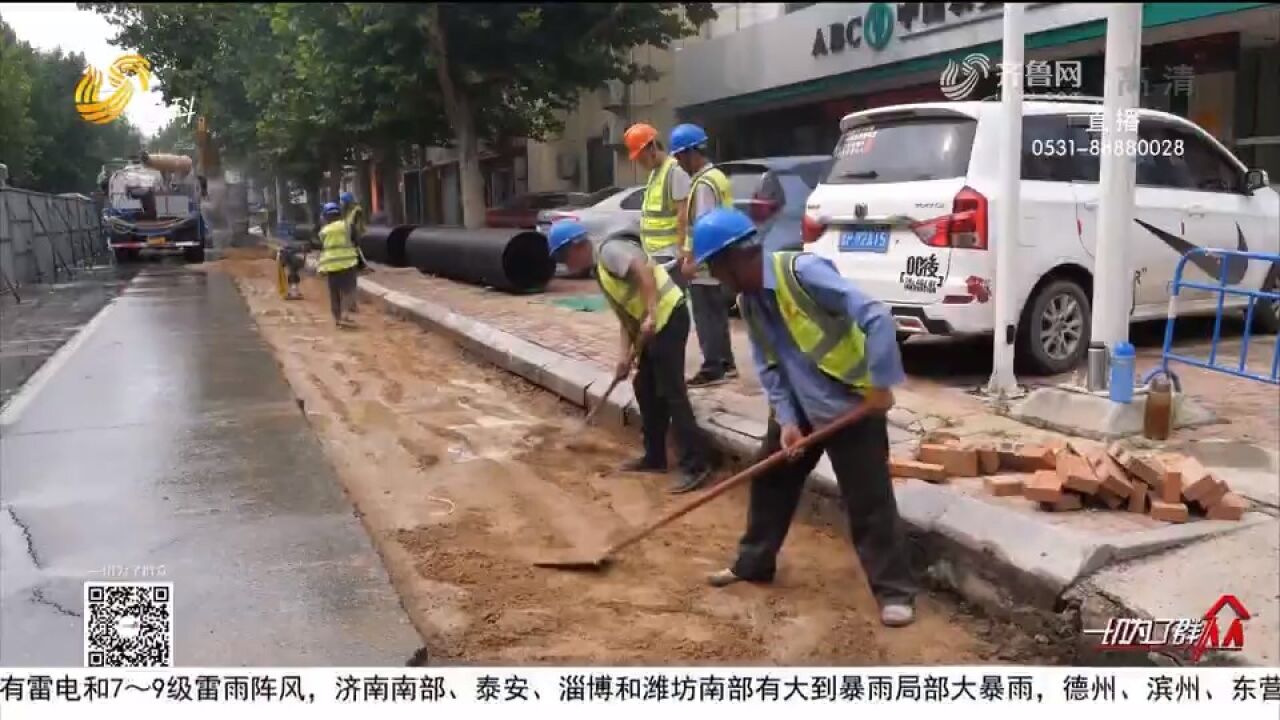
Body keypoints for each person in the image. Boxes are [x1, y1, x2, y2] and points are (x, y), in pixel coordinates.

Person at [689, 207, 919, 628]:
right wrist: (788, 420)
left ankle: (895, 592)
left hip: (851, 406)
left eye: (718, 267)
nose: (717, 277)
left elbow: (876, 316)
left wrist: (882, 382)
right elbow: (769, 364)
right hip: (801, 408)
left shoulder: (804, 272)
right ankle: (753, 563)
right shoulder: (750, 301)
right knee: (770, 478)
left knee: (869, 502)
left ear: (739, 257)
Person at [547, 219, 717, 494]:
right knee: (644, 387)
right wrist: (623, 358)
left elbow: (645, 270)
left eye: (563, 256)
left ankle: (697, 464)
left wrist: (651, 311)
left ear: (577, 246)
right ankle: (655, 457)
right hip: (652, 325)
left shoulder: (609, 251)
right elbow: (626, 318)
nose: (565, 264)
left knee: (671, 390)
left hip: (668, 316)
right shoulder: (601, 273)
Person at [669, 123, 738, 388]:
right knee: (717, 313)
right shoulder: (717, 177)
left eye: (679, 156)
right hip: (719, 257)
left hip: (706, 260)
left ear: (690, 153)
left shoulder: (703, 183)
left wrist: (691, 260)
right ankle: (727, 363)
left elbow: (703, 225)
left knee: (705, 314)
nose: (678, 162)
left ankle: (713, 367)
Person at [623, 123, 693, 290]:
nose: (640, 163)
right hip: (656, 254)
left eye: (641, 157)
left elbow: (683, 214)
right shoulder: (655, 173)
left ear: (652, 147)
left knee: (673, 306)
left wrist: (683, 252)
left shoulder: (675, 171)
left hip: (670, 256)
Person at [316, 202, 360, 328]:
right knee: (349, 290)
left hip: (330, 265)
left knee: (334, 293)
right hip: (348, 263)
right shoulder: (348, 226)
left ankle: (337, 319)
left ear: (325, 216)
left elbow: (320, 246)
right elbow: (356, 241)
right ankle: (345, 315)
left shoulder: (323, 231)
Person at [339, 191, 367, 313]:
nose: (343, 204)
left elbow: (354, 225)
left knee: (351, 273)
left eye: (344, 202)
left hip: (354, 237)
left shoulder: (357, 210)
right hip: (348, 239)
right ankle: (350, 303)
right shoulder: (346, 212)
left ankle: (362, 264)